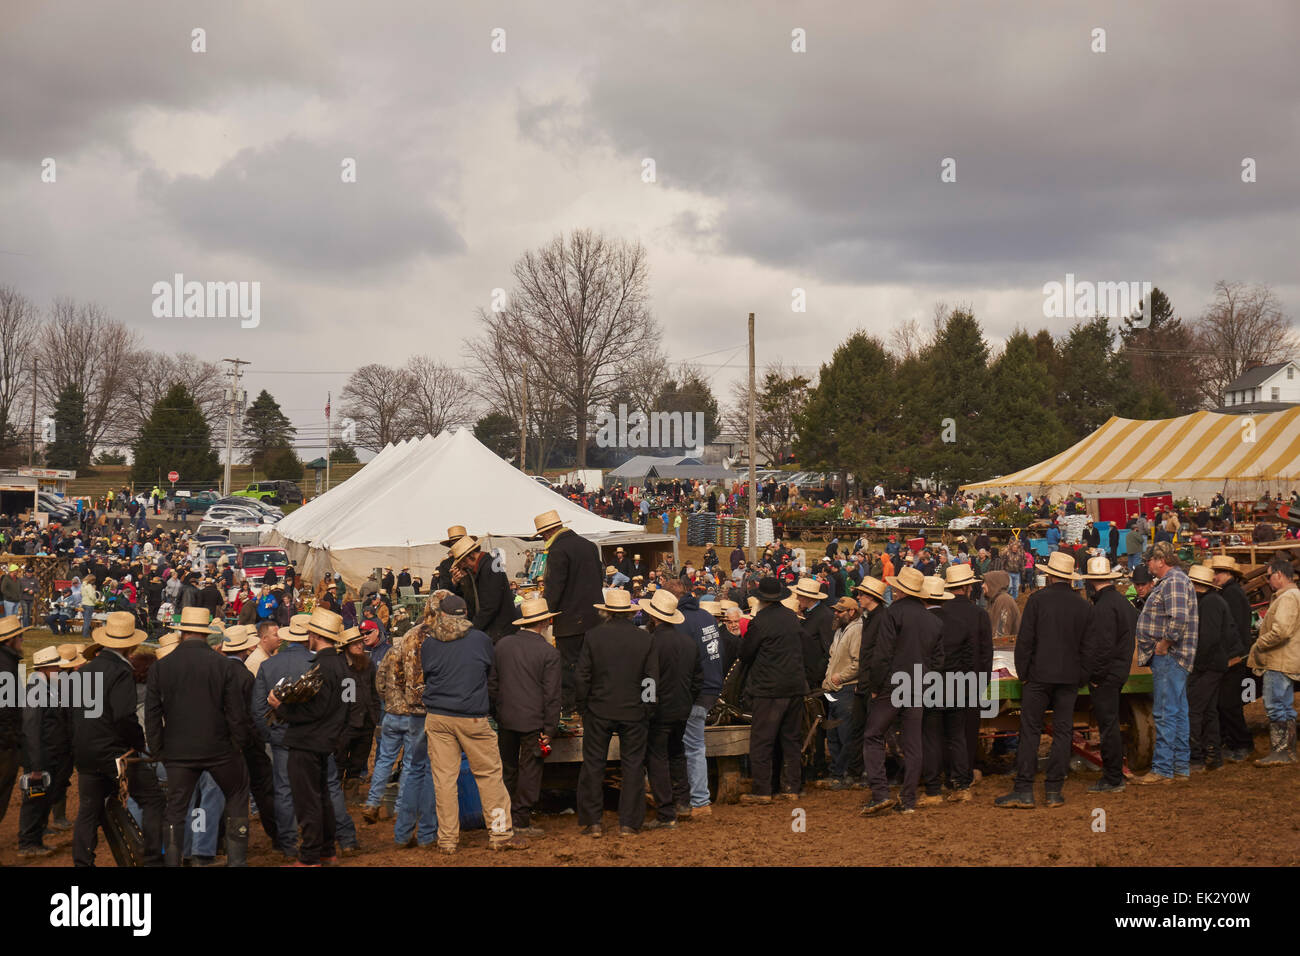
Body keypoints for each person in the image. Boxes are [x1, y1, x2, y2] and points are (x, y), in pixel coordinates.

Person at [145, 607, 252, 866]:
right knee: (237, 795)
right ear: (206, 633)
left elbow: (152, 715)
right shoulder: (222, 665)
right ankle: (236, 862)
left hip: (178, 751)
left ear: (182, 632)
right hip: (219, 749)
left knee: (175, 810)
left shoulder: (161, 667)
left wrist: (159, 750)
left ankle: (174, 862)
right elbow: (235, 713)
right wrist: (238, 744)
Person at [421, 594, 526, 853]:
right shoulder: (480, 639)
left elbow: (428, 673)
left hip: (438, 717)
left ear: (442, 614)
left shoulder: (429, 643)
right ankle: (500, 834)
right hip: (472, 716)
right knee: (490, 776)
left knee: (444, 780)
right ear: (465, 614)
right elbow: (489, 672)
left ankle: (447, 840)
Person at [70, 612, 166, 867]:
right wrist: (138, 744)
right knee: (153, 799)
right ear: (130, 643)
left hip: (86, 751)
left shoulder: (83, 670)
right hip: (115, 753)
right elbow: (124, 716)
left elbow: (73, 713)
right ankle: (154, 860)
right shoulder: (122, 671)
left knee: (88, 809)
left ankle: (82, 862)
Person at [995, 551, 1089, 809]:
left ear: (1049, 576)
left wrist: (1024, 675)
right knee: (1062, 732)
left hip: (1039, 676)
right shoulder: (1083, 605)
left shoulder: (1037, 601)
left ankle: (1024, 789)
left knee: (1030, 731)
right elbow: (1089, 646)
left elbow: (1025, 642)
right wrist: (1081, 676)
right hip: (1069, 677)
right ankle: (1054, 791)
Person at [268, 607, 350, 866]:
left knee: (308, 801)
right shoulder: (340, 665)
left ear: (314, 634)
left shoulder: (323, 667)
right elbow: (345, 705)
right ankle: (326, 850)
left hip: (307, 741)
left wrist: (281, 707)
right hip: (325, 740)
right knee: (322, 796)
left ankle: (311, 855)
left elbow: (314, 710)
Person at [575, 588, 658, 835]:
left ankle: (593, 823)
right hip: (634, 711)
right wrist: (647, 707)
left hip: (599, 709)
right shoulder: (645, 639)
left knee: (593, 764)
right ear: (631, 614)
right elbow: (650, 679)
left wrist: (583, 706)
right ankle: (629, 824)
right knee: (633, 766)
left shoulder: (592, 636)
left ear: (606, 613)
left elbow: (582, 676)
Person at [861, 567, 943, 815]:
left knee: (873, 735)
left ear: (899, 590)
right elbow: (939, 661)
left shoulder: (892, 613)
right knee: (913, 742)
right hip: (917, 685)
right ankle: (908, 800)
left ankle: (880, 793)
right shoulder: (934, 621)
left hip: (892, 685)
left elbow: (882, 655)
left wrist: (875, 687)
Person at [489, 597, 562, 837]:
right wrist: (550, 729)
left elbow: (493, 685)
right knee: (530, 769)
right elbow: (552, 696)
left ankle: (505, 817)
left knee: (507, 768)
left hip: (506, 718)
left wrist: (496, 712)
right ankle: (521, 819)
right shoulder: (548, 653)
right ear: (544, 623)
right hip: (533, 721)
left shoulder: (502, 645)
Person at [1131, 541, 1198, 784]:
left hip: (1170, 657)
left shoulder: (1174, 582)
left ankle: (1162, 769)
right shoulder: (1175, 581)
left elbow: (1178, 618)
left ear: (1161, 560)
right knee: (1178, 712)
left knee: (1165, 713)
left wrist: (1164, 644)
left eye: (1150, 560)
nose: (1148, 565)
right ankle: (1179, 766)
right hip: (1174, 658)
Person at [738, 577, 807, 806]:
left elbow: (746, 654)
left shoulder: (760, 622)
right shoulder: (792, 618)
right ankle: (791, 788)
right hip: (795, 686)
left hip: (768, 689)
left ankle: (762, 790)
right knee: (790, 739)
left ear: (760, 599)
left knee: (762, 741)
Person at [252, 612, 314, 858]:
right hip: (309, 735)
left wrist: (271, 733)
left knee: (284, 789)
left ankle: (288, 842)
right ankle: (313, 839)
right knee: (312, 786)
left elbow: (257, 709)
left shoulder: (268, 665)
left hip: (281, 736)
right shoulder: (315, 662)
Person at [642, 589, 701, 830]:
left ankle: (666, 812)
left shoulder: (651, 642)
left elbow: (648, 680)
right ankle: (683, 802)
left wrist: (647, 705)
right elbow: (698, 679)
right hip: (682, 707)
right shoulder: (688, 642)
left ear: (654, 617)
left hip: (659, 709)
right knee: (677, 752)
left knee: (657, 757)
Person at [218, 624, 281, 852]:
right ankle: (277, 836)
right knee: (264, 789)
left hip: (222, 743)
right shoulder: (244, 674)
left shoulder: (217, 671)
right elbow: (253, 711)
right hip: (248, 739)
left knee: (223, 793)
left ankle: (219, 841)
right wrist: (261, 737)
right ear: (244, 649)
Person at [536, 509, 603, 716]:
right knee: (592, 665)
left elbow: (555, 588)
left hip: (570, 621)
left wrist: (546, 615)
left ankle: (572, 707)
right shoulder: (589, 546)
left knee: (569, 666)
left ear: (547, 533)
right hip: (595, 617)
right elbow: (598, 580)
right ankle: (592, 704)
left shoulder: (558, 550)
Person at [1080, 556, 1136, 792]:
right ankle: (1114, 775)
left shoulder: (1102, 607)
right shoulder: (1122, 602)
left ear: (1092, 581)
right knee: (1110, 723)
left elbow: (1101, 649)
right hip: (1120, 669)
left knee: (1108, 726)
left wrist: (1094, 676)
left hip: (1106, 675)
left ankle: (1113, 778)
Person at [1185, 565, 1241, 772]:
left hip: (1207, 665)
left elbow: (1208, 639)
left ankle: (1197, 757)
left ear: (1195, 584)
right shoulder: (1213, 601)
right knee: (1208, 711)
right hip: (1214, 664)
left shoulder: (1208, 604)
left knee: (1194, 709)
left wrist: (1197, 665)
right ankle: (1213, 755)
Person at [1248, 559, 1300, 766]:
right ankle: (1288, 751)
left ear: (1279, 575)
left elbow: (1281, 631)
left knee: (1276, 706)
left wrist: (1260, 642)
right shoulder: (1294, 595)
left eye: (1268, 576)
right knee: (1285, 706)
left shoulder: (1287, 598)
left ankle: (1281, 752)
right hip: (1287, 658)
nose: (1268, 581)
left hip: (1278, 660)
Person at [1209, 556, 1256, 762]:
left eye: (1218, 572)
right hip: (1234, 654)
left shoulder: (1231, 595)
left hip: (1234, 657)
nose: (1215, 576)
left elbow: (1232, 627)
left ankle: (1243, 743)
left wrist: (1231, 654)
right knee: (1226, 702)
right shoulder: (1230, 593)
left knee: (1229, 703)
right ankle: (1234, 741)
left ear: (1229, 574)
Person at [819, 596, 862, 790]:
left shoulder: (857, 630)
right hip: (835, 689)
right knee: (834, 734)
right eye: (835, 610)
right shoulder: (840, 630)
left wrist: (839, 677)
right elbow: (833, 657)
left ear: (851, 612)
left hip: (846, 689)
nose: (835, 613)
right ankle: (837, 772)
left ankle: (846, 773)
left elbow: (857, 662)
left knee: (845, 735)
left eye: (840, 611)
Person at [335, 626, 379, 804]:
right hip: (345, 724)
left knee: (359, 759)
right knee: (339, 759)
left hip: (366, 721)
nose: (360, 646)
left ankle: (351, 795)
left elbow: (374, 691)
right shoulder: (339, 666)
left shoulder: (368, 663)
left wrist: (375, 714)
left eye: (360, 642)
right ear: (346, 647)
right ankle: (335, 796)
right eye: (355, 644)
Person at [448, 534, 517, 640]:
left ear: (471, 555)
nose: (463, 565)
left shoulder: (490, 567)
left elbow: (490, 606)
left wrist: (473, 629)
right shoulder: (483, 567)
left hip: (501, 631)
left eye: (463, 561)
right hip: (496, 630)